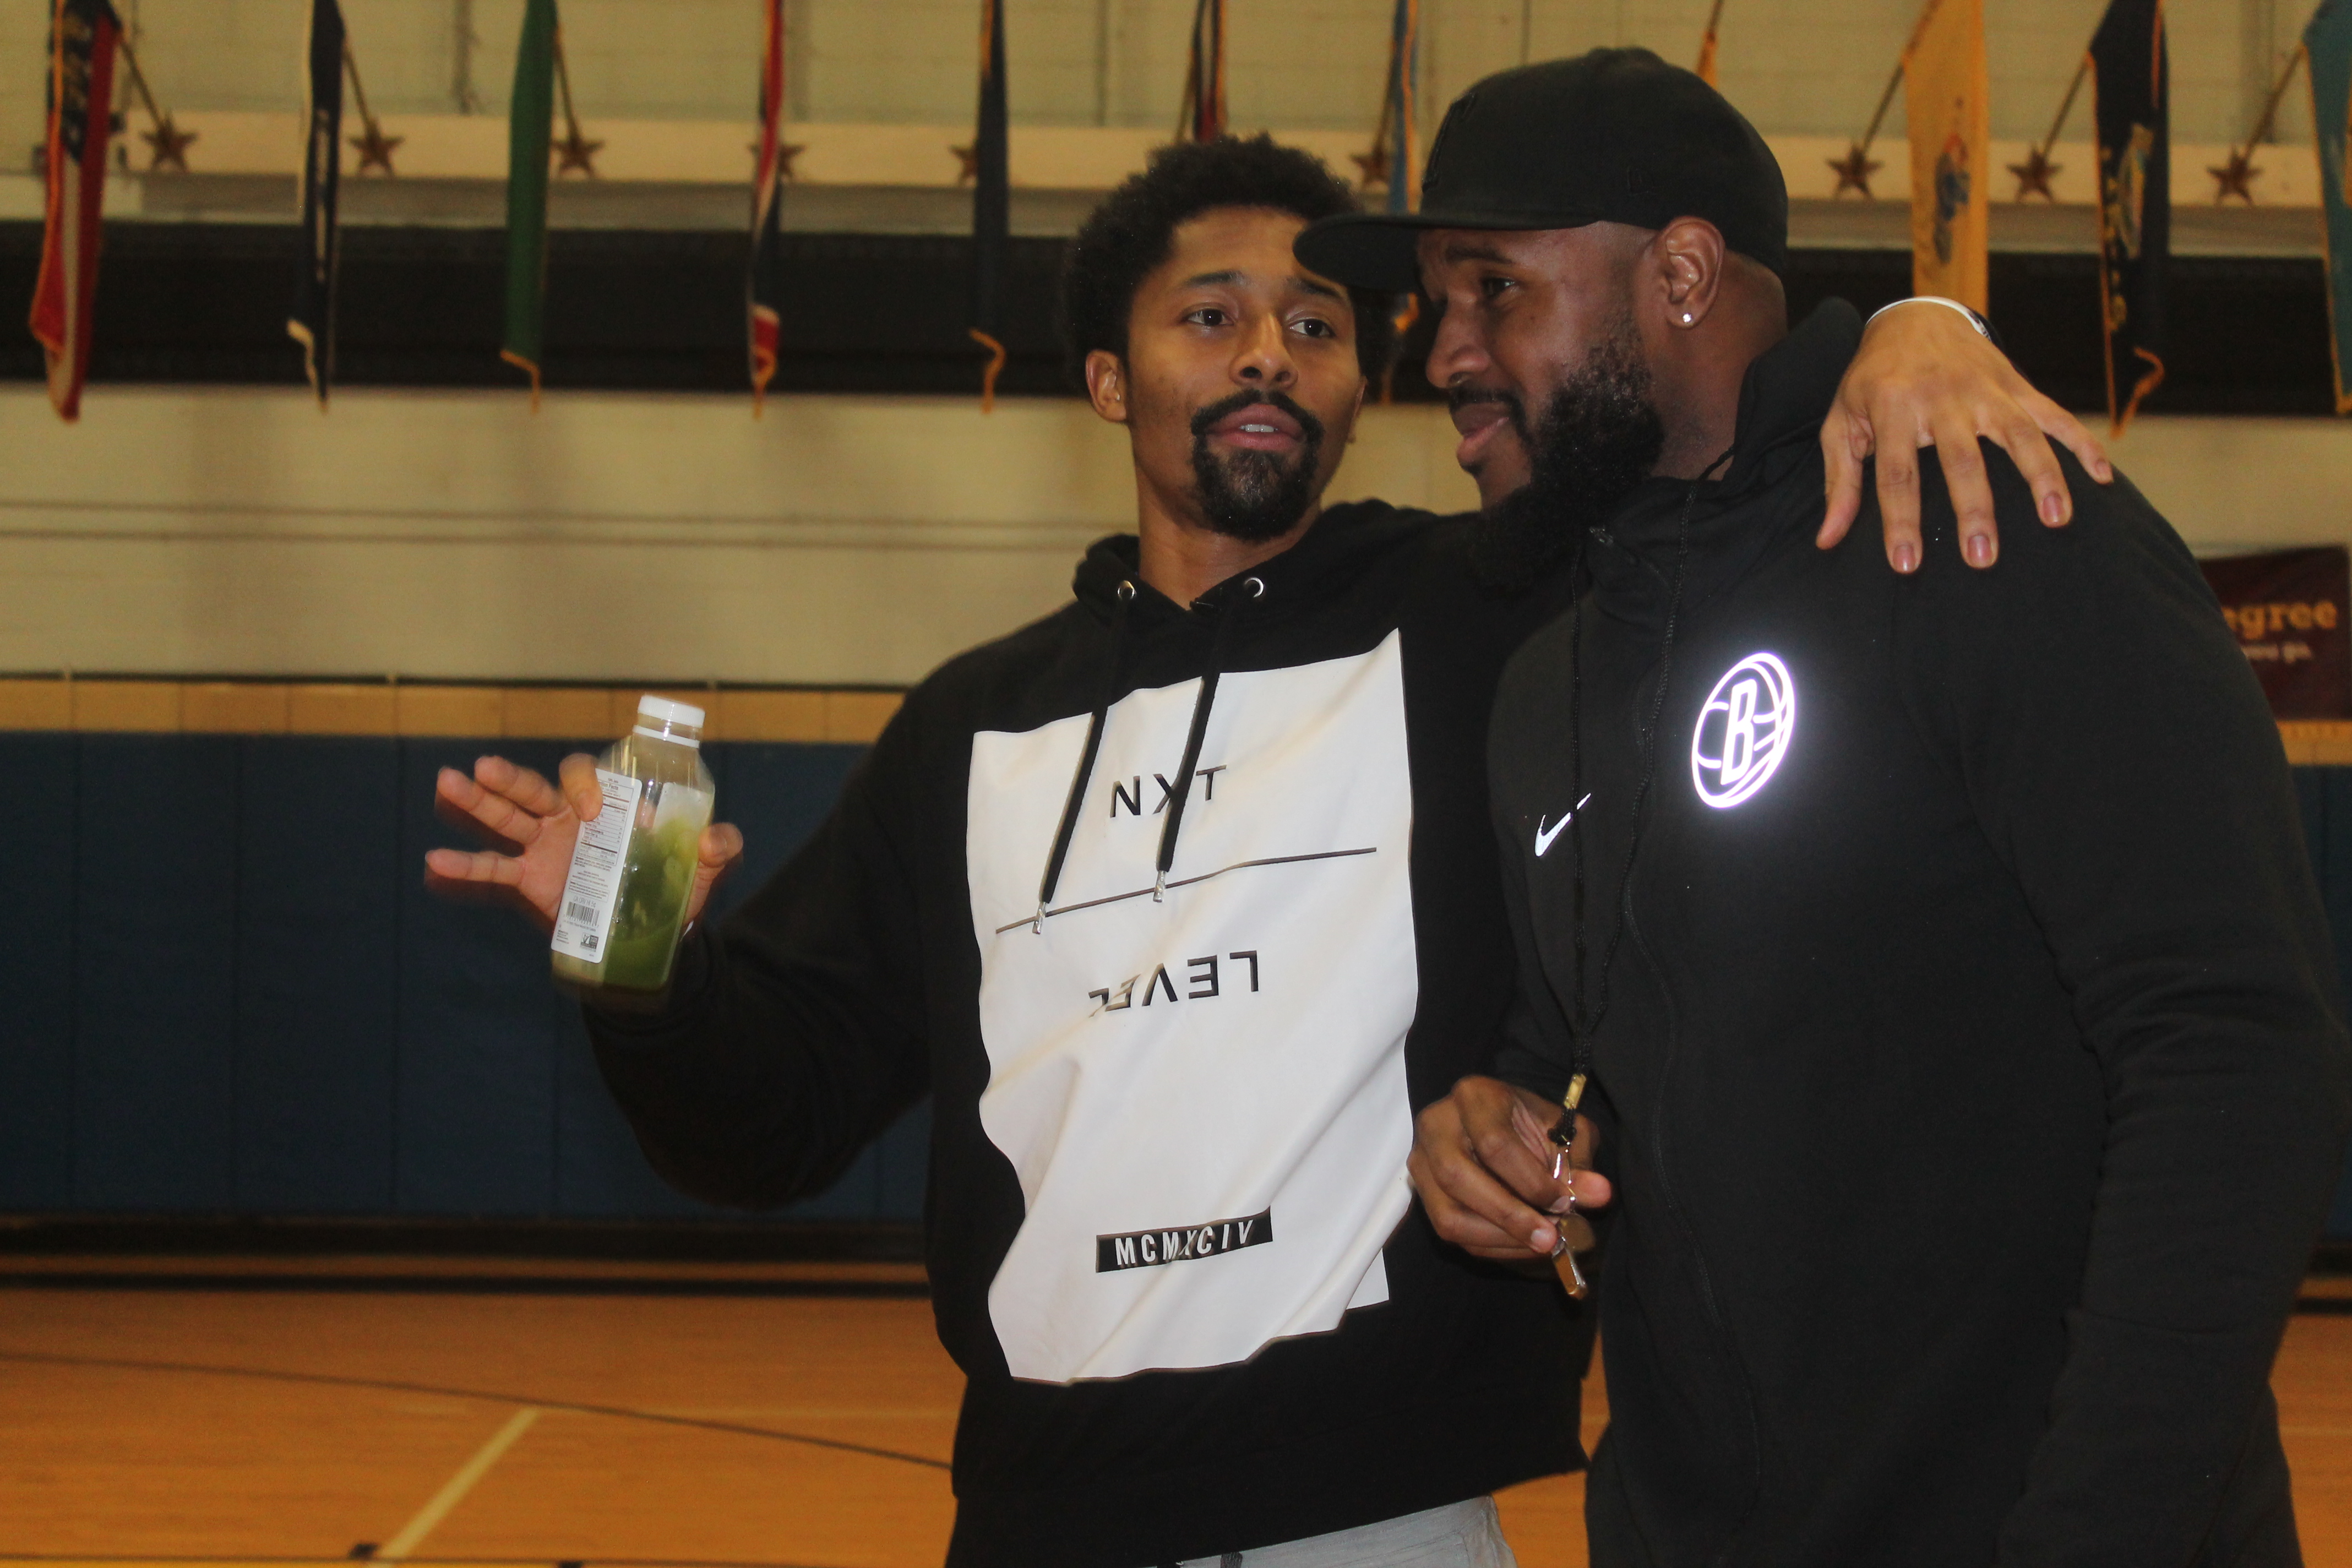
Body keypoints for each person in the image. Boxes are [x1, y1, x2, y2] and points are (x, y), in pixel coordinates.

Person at [427, 132, 2101, 1567]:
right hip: (1043, 1519)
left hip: (1384, 1516)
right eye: (1210, 316)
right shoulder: (970, 730)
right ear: (1108, 379)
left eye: (1315, 325)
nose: (1268, 357)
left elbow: (1700, 442)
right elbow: (766, 1122)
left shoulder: (1487, 618)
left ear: (1358, 387)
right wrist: (637, 960)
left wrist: (1917, 324)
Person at [1319, 50, 2352, 1566]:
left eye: (1493, 289)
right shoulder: (1556, 680)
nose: (1445, 353)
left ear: (1681, 275)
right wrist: (1511, 1126)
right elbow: (1591, 1050)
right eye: (1436, 302)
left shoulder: (1984, 519)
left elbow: (2233, 1049)